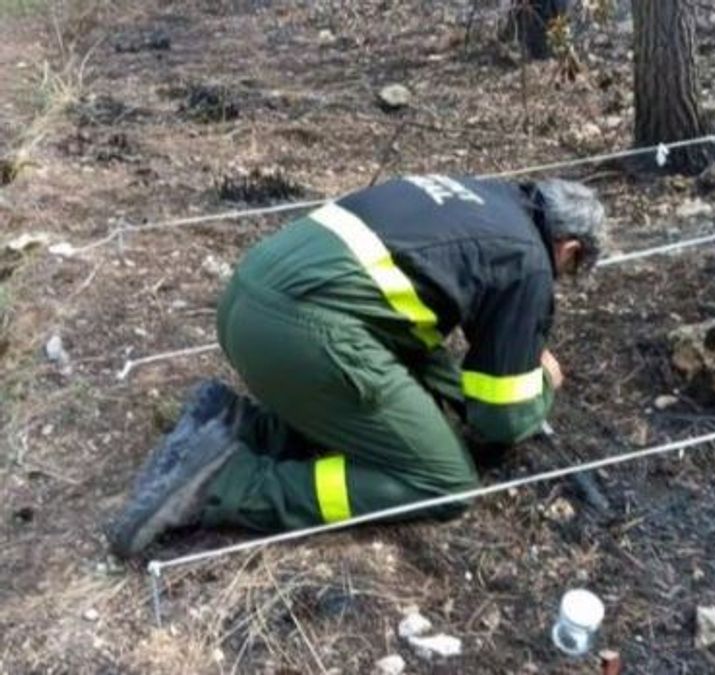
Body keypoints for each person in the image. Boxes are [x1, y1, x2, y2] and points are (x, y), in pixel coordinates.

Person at [107, 175, 607, 558]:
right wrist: (541, 383)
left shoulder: (477, 195)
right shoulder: (529, 261)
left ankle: (242, 426)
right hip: (297, 333)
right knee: (444, 484)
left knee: (412, 387)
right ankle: (228, 484)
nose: (559, 282)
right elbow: (500, 420)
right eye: (570, 273)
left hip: (246, 301)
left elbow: (419, 321)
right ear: (569, 249)